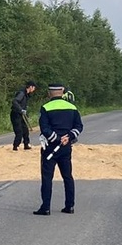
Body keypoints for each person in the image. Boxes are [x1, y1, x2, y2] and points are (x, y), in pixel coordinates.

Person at [33, 84, 83, 215]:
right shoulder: (72, 107)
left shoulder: (46, 108)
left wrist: (56, 138)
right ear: (62, 92)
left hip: (50, 147)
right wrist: (69, 136)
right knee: (67, 177)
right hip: (66, 147)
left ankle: (46, 208)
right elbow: (79, 126)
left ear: (49, 93)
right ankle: (70, 206)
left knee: (47, 177)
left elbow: (44, 128)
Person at [10, 80, 37, 150]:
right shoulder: (21, 93)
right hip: (16, 114)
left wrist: (25, 113)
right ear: (30, 87)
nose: (34, 90)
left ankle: (26, 144)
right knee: (19, 131)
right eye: (34, 88)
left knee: (25, 130)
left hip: (21, 115)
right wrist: (20, 110)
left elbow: (23, 105)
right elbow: (15, 101)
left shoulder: (26, 94)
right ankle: (15, 146)